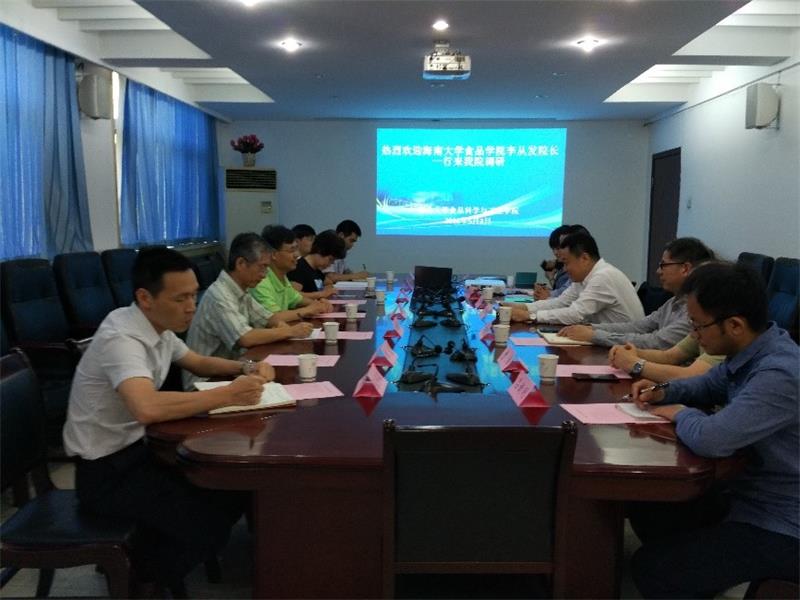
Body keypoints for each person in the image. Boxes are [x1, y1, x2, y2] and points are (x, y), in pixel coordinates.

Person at [62, 247, 274, 592]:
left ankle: (150, 557)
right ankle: (137, 578)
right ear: (145, 298)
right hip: (105, 473)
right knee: (207, 524)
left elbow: (198, 362)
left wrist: (247, 367)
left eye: (193, 295)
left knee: (231, 489)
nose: (192, 306)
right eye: (181, 298)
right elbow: (146, 407)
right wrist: (229, 394)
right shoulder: (122, 338)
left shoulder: (158, 327)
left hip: (139, 452)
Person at [628, 262, 799, 598]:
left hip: (783, 522)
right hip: (747, 495)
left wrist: (681, 413)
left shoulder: (779, 373)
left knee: (654, 569)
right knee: (649, 507)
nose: (694, 335)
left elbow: (712, 439)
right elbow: (707, 385)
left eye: (698, 325)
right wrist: (663, 391)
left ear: (734, 325)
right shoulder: (751, 350)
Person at [184, 233, 315, 389]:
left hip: (233, 369)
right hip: (205, 383)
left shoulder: (241, 291)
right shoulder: (219, 295)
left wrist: (280, 326)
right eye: (262, 267)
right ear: (241, 263)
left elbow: (269, 319)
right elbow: (245, 338)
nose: (265, 275)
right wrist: (289, 331)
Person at [559, 237, 713, 349]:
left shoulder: (698, 309)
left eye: (663, 265)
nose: (658, 271)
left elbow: (656, 342)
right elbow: (639, 326)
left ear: (685, 268)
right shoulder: (673, 301)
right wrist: (591, 328)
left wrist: (594, 335)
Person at [508, 231, 644, 324]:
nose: (565, 269)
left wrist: (530, 316)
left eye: (567, 263)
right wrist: (522, 307)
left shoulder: (603, 277)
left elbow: (575, 314)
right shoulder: (583, 278)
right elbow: (560, 302)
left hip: (623, 345)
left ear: (584, 258)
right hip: (606, 339)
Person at [251, 225, 332, 321]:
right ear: (274, 254)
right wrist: (308, 310)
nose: (297, 255)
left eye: (296, 249)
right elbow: (272, 317)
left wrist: (318, 304)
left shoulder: (282, 277)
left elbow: (297, 299)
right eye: (291, 250)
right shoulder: (260, 281)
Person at [609, 333, 725, 383]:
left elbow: (690, 376)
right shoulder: (704, 325)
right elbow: (669, 356)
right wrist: (632, 353)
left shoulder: (725, 340)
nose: (694, 333)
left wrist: (634, 364)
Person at [287, 229, 344, 301]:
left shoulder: (316, 270)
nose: (331, 264)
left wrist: (327, 291)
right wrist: (321, 294)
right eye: (330, 259)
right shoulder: (298, 268)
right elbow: (293, 295)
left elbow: (329, 283)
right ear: (320, 251)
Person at [533, 224, 573, 300]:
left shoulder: (573, 268)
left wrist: (547, 293)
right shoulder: (562, 266)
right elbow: (560, 292)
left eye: (558, 248)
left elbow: (564, 295)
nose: (555, 253)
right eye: (553, 249)